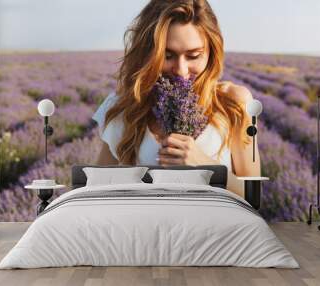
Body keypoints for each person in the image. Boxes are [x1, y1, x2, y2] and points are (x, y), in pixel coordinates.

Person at [92, 0, 261, 197]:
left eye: (193, 55)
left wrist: (204, 164)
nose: (181, 71)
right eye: (168, 55)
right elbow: (95, 190)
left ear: (211, 52)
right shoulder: (124, 107)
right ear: (148, 54)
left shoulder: (233, 102)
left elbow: (254, 197)